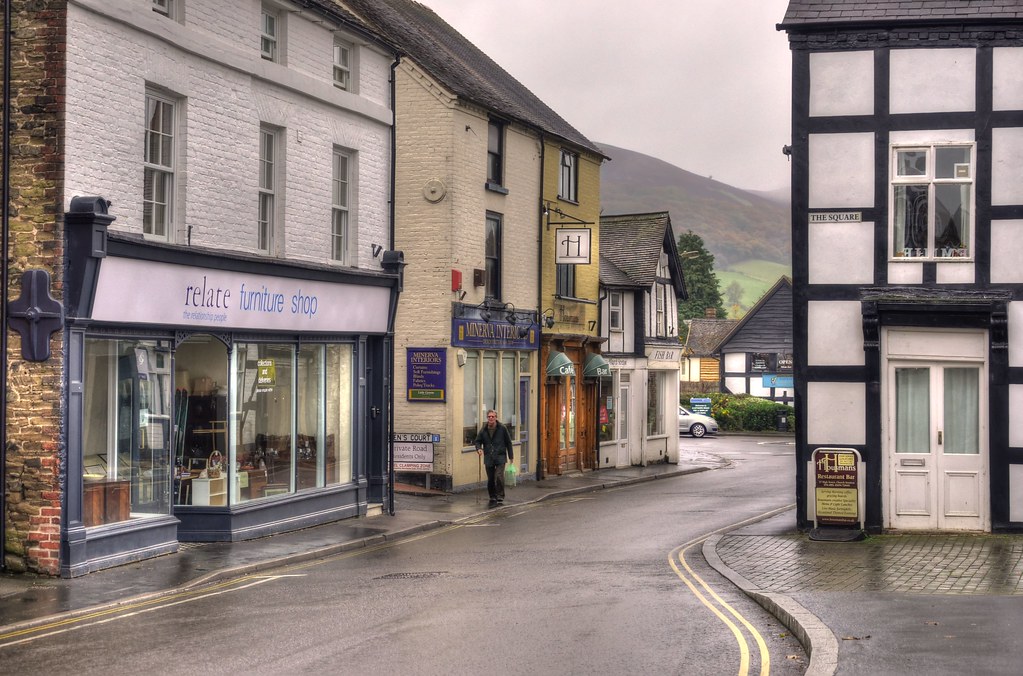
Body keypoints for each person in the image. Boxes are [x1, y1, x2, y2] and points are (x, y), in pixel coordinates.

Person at [474, 409, 514, 508]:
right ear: (487, 418)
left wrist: (511, 457)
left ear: (496, 418)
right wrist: (479, 449)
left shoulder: (502, 428)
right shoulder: (484, 430)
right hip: (489, 457)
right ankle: (492, 496)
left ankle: (500, 496)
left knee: (499, 476)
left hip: (500, 456)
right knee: (491, 478)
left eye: (493, 416)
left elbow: (508, 442)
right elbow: (477, 441)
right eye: (489, 417)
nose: (491, 418)